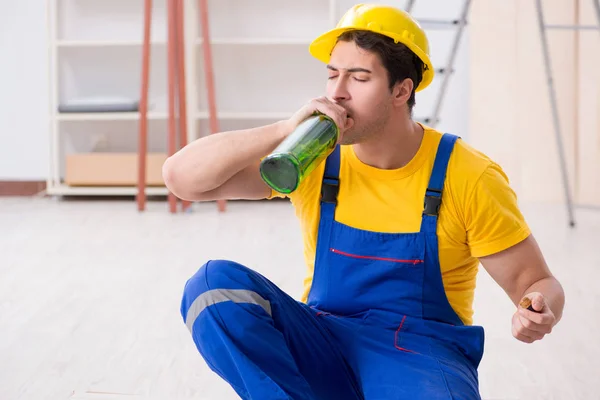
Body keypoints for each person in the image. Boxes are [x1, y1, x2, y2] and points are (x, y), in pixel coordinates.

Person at [163, 4, 565, 399]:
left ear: (401, 90)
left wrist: (537, 308)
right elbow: (182, 178)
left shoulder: (468, 175)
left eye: (358, 77)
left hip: (420, 354)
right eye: (332, 75)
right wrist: (286, 129)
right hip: (323, 338)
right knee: (212, 288)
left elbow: (535, 283)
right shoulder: (311, 159)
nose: (337, 92)